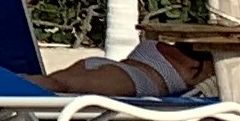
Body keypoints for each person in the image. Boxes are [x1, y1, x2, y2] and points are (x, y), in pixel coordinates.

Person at [39, 30, 216, 100]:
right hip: (132, 80)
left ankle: (13, 82)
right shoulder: (198, 67)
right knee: (57, 85)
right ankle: (12, 84)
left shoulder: (157, 45)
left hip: (107, 66)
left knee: (53, 83)